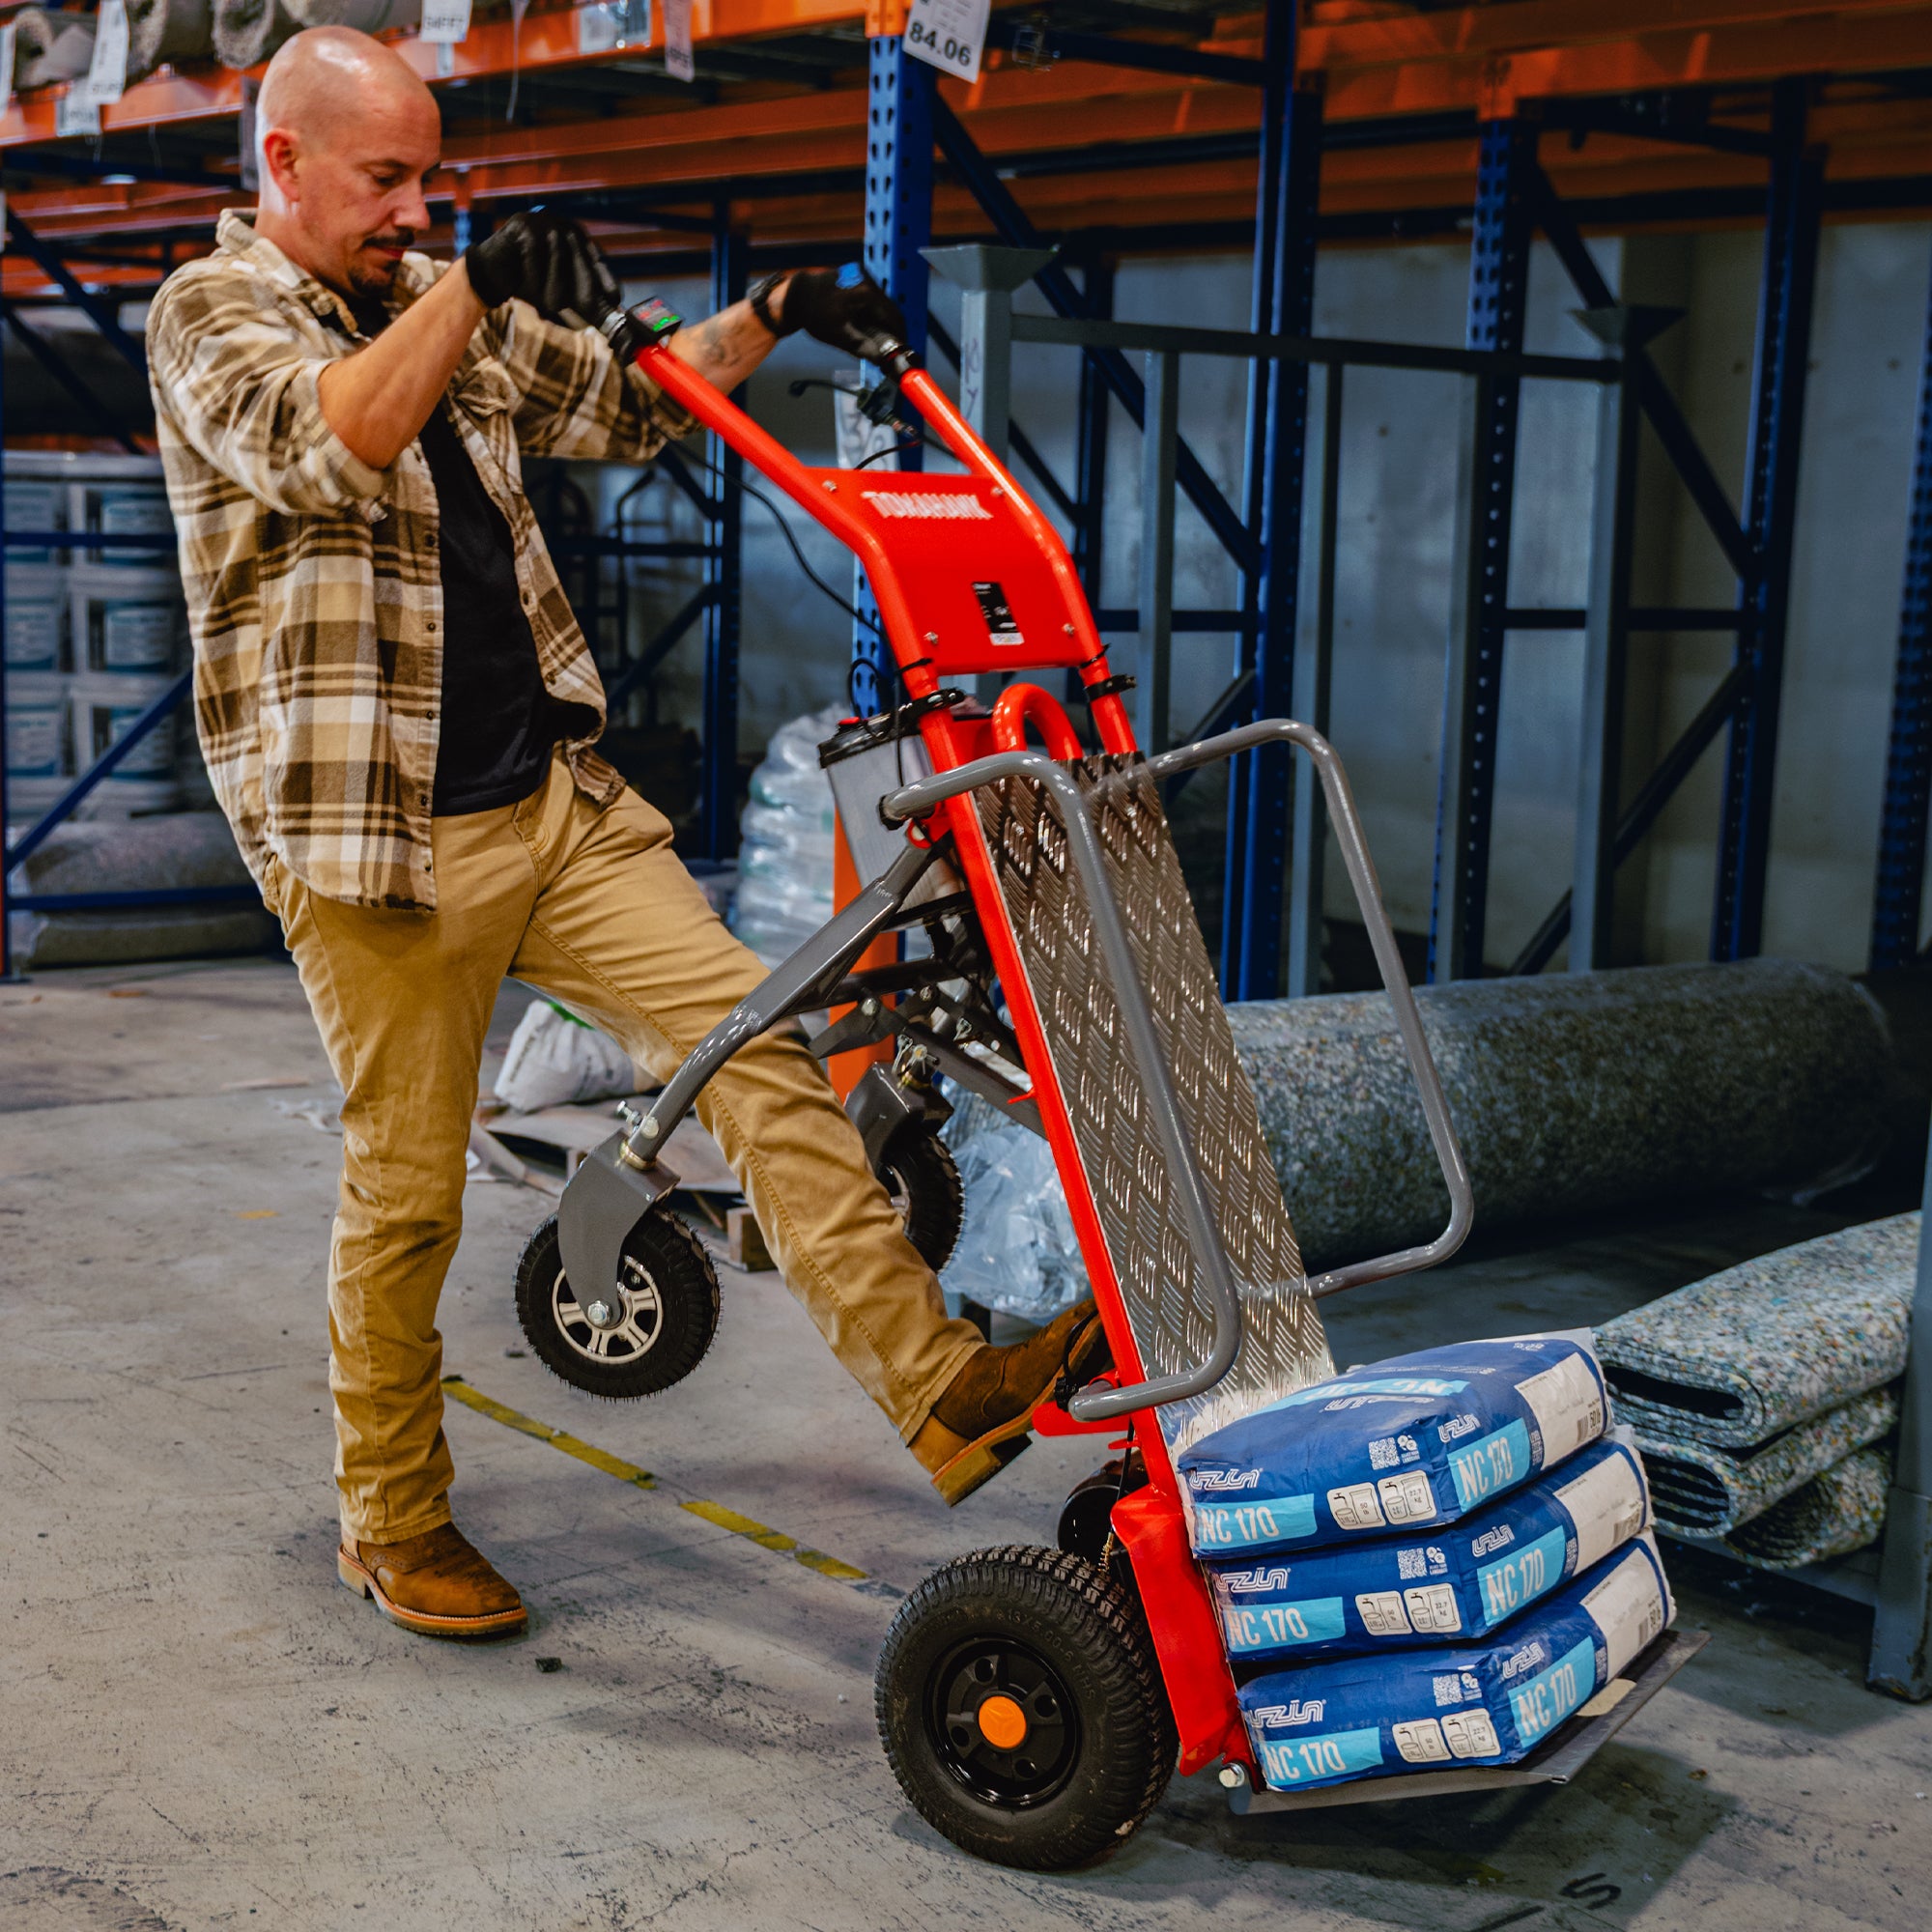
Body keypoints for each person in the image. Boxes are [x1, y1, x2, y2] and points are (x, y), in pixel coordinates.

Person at [146, 25, 1104, 1641]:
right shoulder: (210, 313)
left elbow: (631, 407)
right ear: (286, 162)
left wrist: (774, 313)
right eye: (385, 181)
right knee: (408, 1193)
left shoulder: (429, 298)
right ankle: (390, 1522)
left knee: (756, 1051)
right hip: (379, 847)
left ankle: (944, 1392)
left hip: (553, 806)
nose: (410, 211)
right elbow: (334, 438)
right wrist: (468, 289)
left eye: (428, 183)